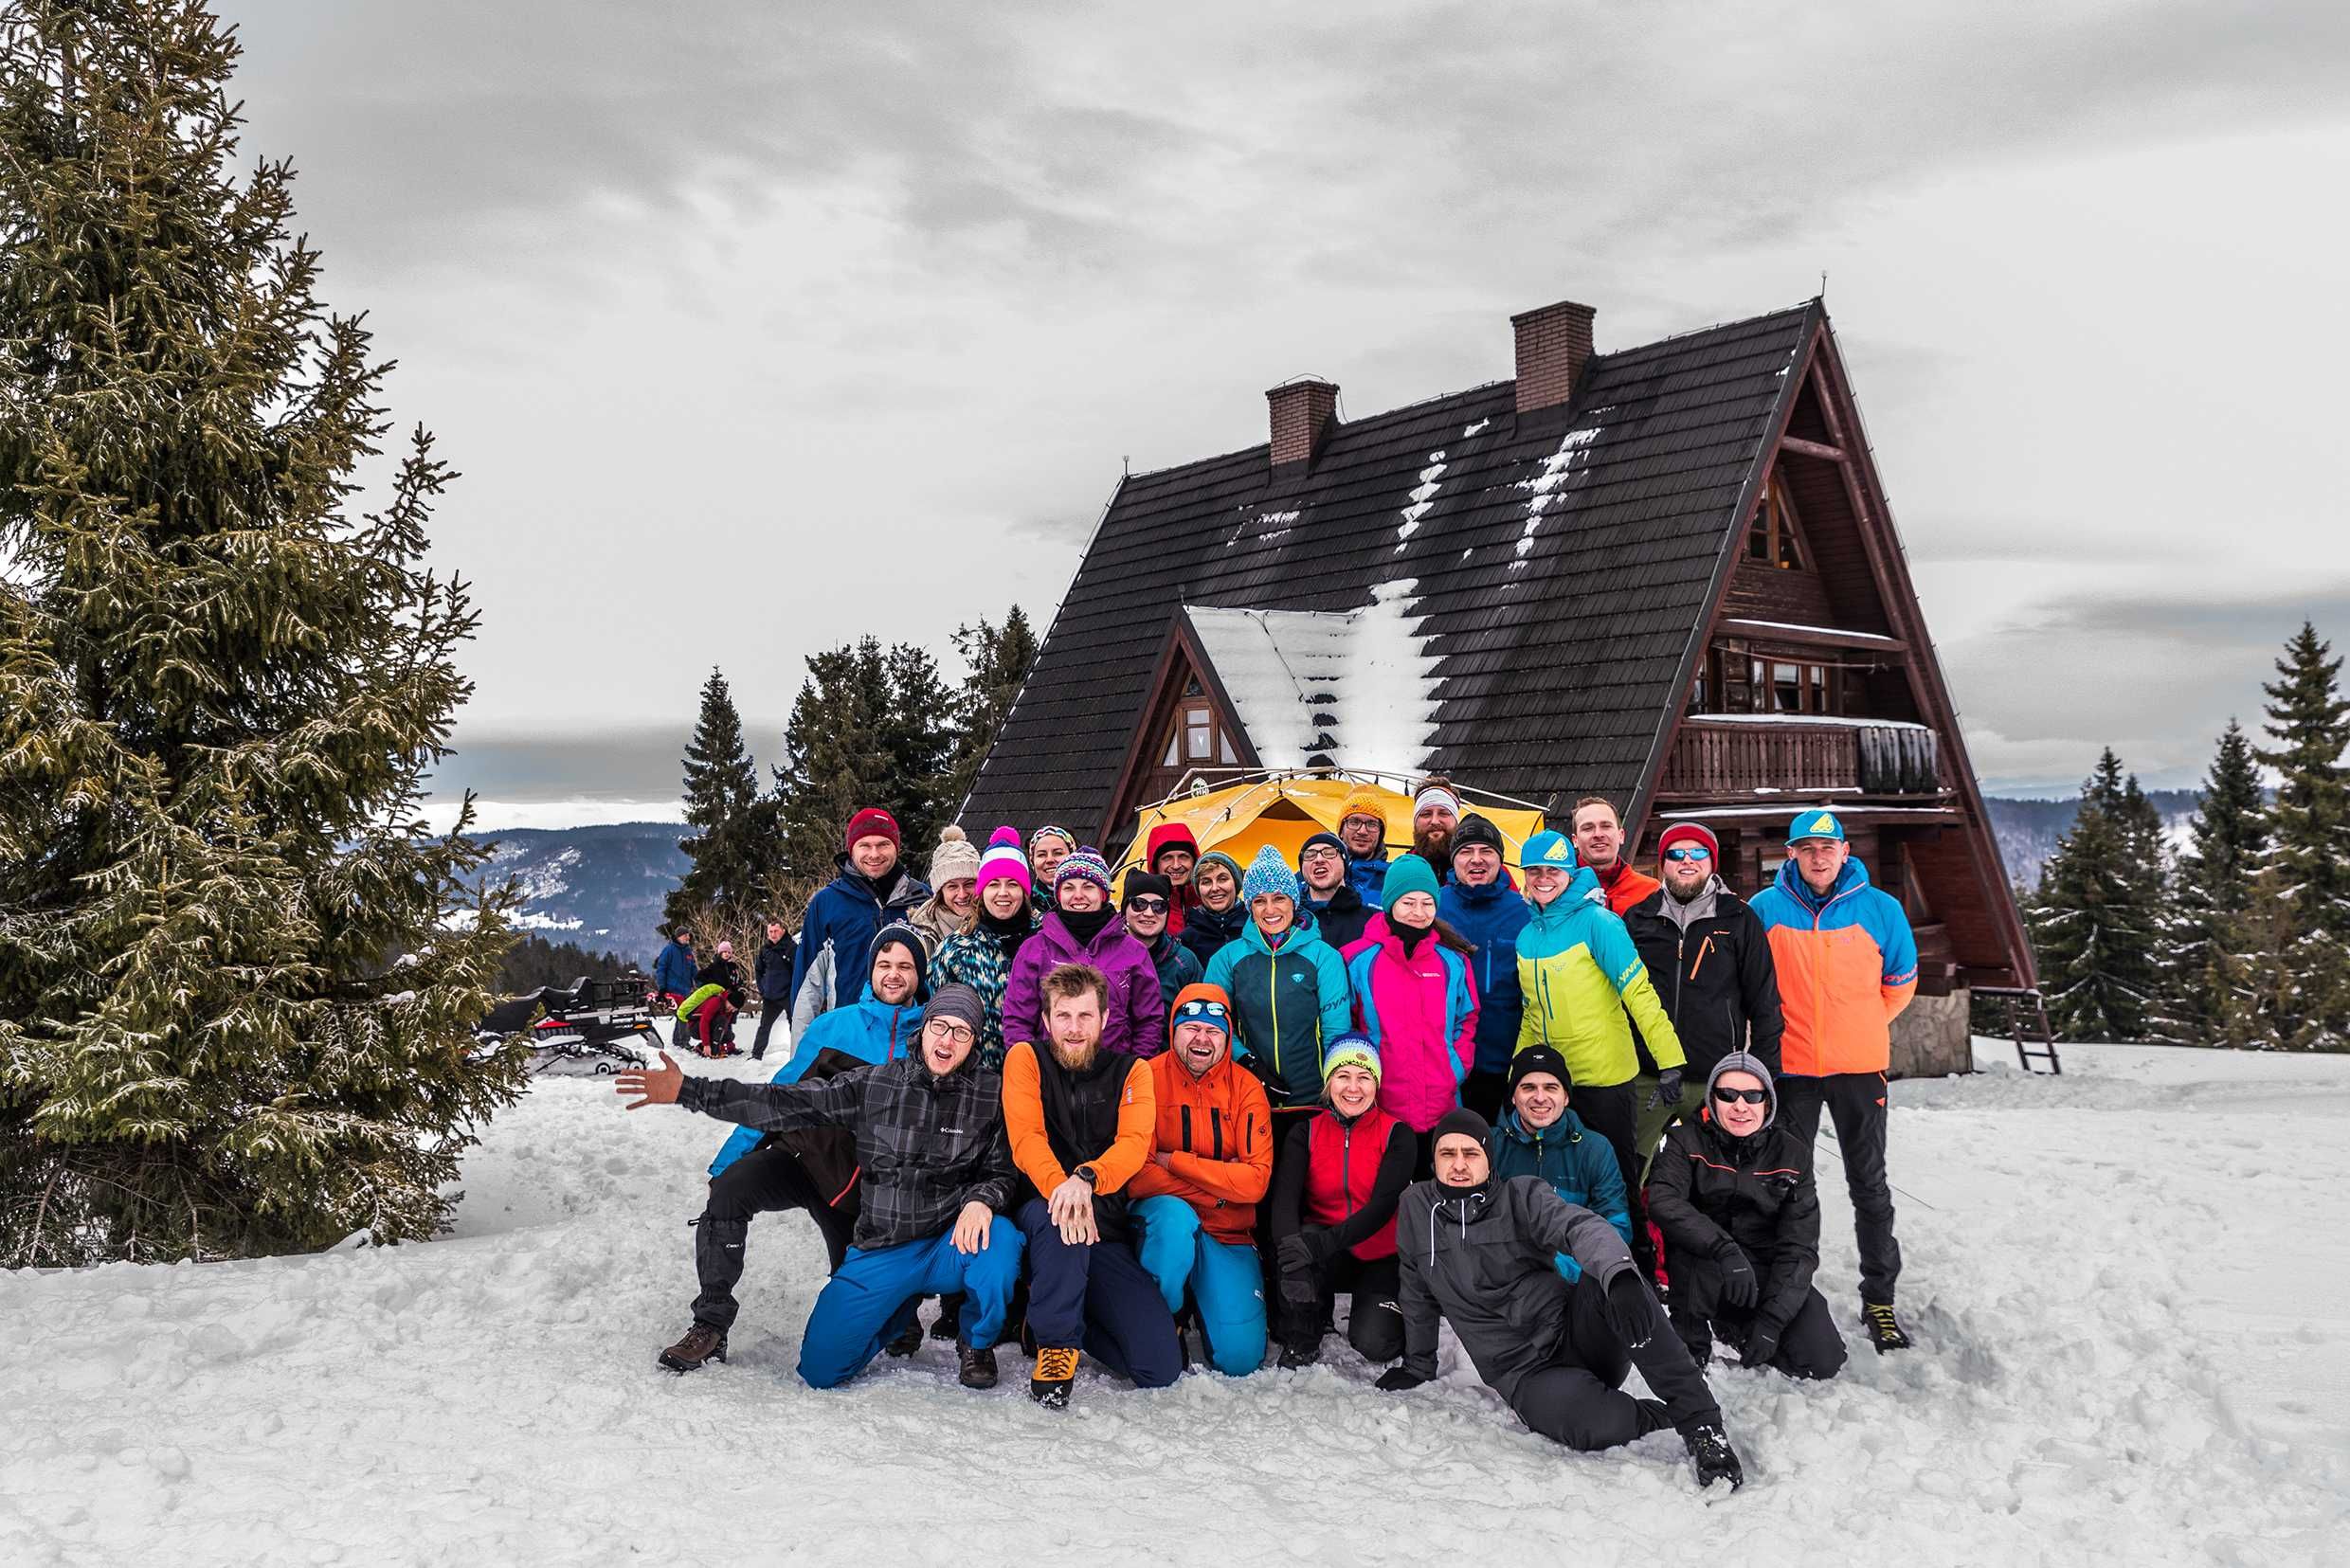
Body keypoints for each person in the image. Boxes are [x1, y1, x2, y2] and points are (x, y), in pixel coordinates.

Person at [621, 983, 1022, 1392]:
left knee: (1001, 1244)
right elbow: (780, 1102)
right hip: (885, 1247)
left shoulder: (989, 1093)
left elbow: (1002, 1172)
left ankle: (977, 1341)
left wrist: (982, 1201)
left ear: (973, 1043)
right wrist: (689, 1091)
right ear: (924, 1030)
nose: (947, 1040)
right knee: (820, 1370)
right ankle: (896, 1310)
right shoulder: (876, 1085)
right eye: (940, 1026)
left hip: (950, 1244)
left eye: (962, 1032)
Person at [1384, 1109, 1743, 1490]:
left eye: (1470, 1154)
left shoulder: (1520, 1196)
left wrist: (1620, 1276)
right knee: (1590, 1425)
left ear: (1489, 1160)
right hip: (1525, 1374)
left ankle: (1702, 1425)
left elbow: (1580, 1226)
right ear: (1434, 1160)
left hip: (1576, 1330)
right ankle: (1656, 1416)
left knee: (1617, 1279)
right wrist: (1418, 1366)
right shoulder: (1416, 1209)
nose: (1458, 1165)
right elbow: (1416, 1289)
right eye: (1447, 1153)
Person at [1749, 808, 1920, 1353]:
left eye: (1827, 846)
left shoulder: (1881, 909)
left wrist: (1858, 1027)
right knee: (1790, 1185)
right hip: (1790, 1071)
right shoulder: (1765, 909)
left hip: (1858, 1068)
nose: (1818, 856)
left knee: (1868, 1184)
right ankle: (1790, 1295)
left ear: (1846, 851)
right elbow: (1749, 982)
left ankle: (1880, 1300)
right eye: (1807, 847)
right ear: (1791, 854)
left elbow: (1900, 983)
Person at [1514, 829, 1689, 1285]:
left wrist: (1669, 1059)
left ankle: (1641, 1275)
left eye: (1553, 871)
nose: (1544, 879)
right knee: (1568, 1182)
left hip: (1607, 1078)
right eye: (1535, 871)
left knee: (1618, 1182)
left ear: (1570, 873)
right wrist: (1518, 1074)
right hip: (1557, 1086)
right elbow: (1532, 1015)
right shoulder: (1527, 936)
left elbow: (1640, 993)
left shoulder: (1600, 923)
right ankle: (1580, 1273)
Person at [1003, 963, 1181, 1405]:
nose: (1074, 1028)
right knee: (1062, 1223)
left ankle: (1058, 1317)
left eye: (1085, 1016)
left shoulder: (1131, 1071)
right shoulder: (1027, 1058)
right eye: (1063, 1016)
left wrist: (1087, 1178)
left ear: (1104, 1020)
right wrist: (1061, 1187)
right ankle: (1056, 1343)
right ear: (1046, 1020)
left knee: (1160, 1367)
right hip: (1042, 1214)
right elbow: (1026, 1139)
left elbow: (1135, 1143)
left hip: (1102, 1223)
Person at [705, 927, 932, 1261]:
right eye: (884, 965)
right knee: (728, 1192)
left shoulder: (935, 1038)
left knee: (859, 1293)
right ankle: (712, 1310)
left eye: (905, 966)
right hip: (812, 1167)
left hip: (876, 1197)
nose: (893, 975)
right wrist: (728, 1162)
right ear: (871, 970)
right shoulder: (833, 1027)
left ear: (920, 974)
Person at [1647, 1054, 1847, 1381]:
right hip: (1704, 1266)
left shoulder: (1793, 1153)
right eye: (1727, 1095)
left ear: (1768, 1103)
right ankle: (1694, 1333)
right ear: (1711, 1100)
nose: (1740, 1106)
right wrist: (1723, 1248)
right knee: (1691, 1257)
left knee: (1821, 1360)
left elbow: (1800, 1247)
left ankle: (1742, 1326)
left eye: (1753, 1096)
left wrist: (1772, 1321)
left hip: (1763, 1275)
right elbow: (1663, 1200)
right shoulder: (1685, 1141)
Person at [1128, 984, 1274, 1376]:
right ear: (1173, 1030)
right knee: (1176, 1221)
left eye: (1212, 1031)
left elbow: (1256, 1182)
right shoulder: (1146, 1077)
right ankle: (1166, 1316)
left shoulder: (1247, 1089)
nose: (1201, 1039)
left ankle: (1208, 1296)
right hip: (1167, 1223)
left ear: (1227, 1037)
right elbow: (1139, 1176)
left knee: (1240, 1360)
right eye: (1191, 1028)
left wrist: (1175, 1160)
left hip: (1227, 1231)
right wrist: (1217, 1193)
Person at [1622, 822, 1784, 1172]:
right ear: (1661, 863)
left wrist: (1762, 1075)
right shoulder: (1638, 918)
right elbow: (1618, 1001)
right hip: (1648, 1076)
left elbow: (1765, 1002)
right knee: (1631, 1173)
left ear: (1712, 862)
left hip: (1715, 1078)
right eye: (1675, 853)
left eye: (1697, 853)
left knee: (1715, 1176)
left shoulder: (1739, 918)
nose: (1687, 861)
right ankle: (1637, 1229)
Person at [1266, 1036, 1415, 1368]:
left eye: (1364, 1077)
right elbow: (1284, 1202)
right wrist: (1292, 1255)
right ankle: (1306, 1332)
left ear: (1376, 1084)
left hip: (1380, 1254)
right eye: (1343, 1075)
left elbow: (1381, 1209)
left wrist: (1315, 1247)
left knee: (1377, 1343)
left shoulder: (1398, 1134)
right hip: (1327, 1249)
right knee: (1289, 1290)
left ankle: (1384, 1309)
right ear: (1328, 1080)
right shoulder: (1305, 1132)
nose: (1353, 1088)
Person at [1204, 845, 1352, 1157]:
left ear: (1294, 902)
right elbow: (1212, 1024)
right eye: (1259, 901)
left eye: (1279, 898)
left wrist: (1332, 1089)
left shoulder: (1324, 957)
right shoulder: (1228, 959)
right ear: (1250, 906)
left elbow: (1336, 1030)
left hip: (1312, 1098)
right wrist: (1248, 1064)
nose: (1270, 909)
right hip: (1248, 1095)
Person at [1341, 854, 1476, 1145]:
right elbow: (1346, 1026)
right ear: (1390, 903)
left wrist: (1456, 1067)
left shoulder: (1452, 961)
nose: (1418, 912)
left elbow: (1466, 1017)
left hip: (1442, 1102)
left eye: (1427, 903)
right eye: (1408, 902)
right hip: (1380, 1103)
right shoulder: (1357, 959)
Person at [1002, 847, 1166, 1062]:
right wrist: (1034, 1069)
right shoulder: (1035, 949)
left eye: (1088, 887)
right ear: (1059, 894)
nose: (1078, 895)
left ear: (1103, 893)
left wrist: (1131, 1069)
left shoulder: (1133, 952)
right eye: (1069, 887)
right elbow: (1017, 1020)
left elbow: (1149, 1021)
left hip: (1113, 1076)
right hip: (1050, 1076)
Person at [1484, 1044, 1631, 1274]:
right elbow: (1472, 1222)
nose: (1540, 1097)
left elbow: (1616, 1227)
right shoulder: (1489, 1146)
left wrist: (1563, 1269)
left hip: (1573, 1281)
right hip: (1504, 1281)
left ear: (1566, 1097)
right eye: (1528, 1087)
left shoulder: (1594, 1149)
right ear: (1513, 1096)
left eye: (1551, 1087)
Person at [791, 807, 931, 1037]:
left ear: (896, 847)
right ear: (851, 849)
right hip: (849, 1037)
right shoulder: (827, 902)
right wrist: (802, 1058)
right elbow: (808, 986)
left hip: (911, 1036)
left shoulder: (922, 897)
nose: (874, 854)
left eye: (883, 844)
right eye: (865, 845)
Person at [1439, 814, 1529, 1122]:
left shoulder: (1522, 912)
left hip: (1502, 1060)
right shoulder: (1434, 907)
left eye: (1486, 851)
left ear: (1500, 859)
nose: (1476, 860)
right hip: (1445, 1059)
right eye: (1466, 851)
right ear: (1454, 860)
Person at [931, 826, 1038, 1071]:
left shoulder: (1046, 941)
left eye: (1012, 883)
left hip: (1038, 1079)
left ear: (1024, 890)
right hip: (975, 1082)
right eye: (993, 884)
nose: (1003, 893)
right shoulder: (956, 950)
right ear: (982, 892)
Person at [1121, 869, 1202, 1008]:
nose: (1148, 913)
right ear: (1124, 909)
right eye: (1139, 904)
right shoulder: (1104, 953)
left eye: (1159, 906)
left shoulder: (1185, 962)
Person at [1570, 795, 1660, 917]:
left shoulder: (1649, 891)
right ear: (1575, 840)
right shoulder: (1557, 888)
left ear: (1621, 836)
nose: (1598, 834)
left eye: (1606, 826)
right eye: (1588, 828)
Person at [907, 823, 981, 956]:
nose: (962, 894)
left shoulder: (997, 924)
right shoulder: (921, 933)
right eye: (952, 886)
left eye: (969, 884)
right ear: (940, 891)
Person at [1297, 831, 1374, 950]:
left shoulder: (1372, 920)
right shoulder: (1289, 919)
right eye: (1309, 855)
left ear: (1344, 863)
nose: (1318, 859)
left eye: (1329, 853)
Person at [1177, 849, 1249, 969]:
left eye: (1222, 879)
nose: (1215, 888)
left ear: (1236, 884)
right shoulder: (1187, 939)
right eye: (1206, 882)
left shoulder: (1255, 927)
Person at [682, 939, 748, 1056]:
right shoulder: (715, 966)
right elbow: (699, 977)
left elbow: (736, 980)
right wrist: (711, 987)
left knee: (728, 1023)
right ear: (720, 953)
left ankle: (728, 1045)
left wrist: (738, 987)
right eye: (724, 952)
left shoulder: (732, 966)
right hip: (719, 998)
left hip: (731, 998)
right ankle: (708, 1046)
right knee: (717, 1022)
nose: (727, 954)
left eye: (729, 952)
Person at [750, 919, 797, 1061]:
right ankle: (756, 1056)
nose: (773, 934)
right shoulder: (765, 949)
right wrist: (762, 989)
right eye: (770, 931)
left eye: (776, 931)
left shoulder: (792, 947)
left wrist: (794, 991)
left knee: (795, 1026)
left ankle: (798, 1056)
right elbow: (759, 970)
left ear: (783, 930)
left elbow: (798, 971)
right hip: (770, 996)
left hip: (788, 995)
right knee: (764, 1027)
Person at [1337, 789, 1392, 908]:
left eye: (1372, 824)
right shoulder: (1315, 875)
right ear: (1341, 830)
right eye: (1354, 822)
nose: (1362, 831)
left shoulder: (1393, 880)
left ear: (1380, 834)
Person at [1145, 821, 1201, 934]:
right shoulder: (1144, 909)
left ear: (1194, 861)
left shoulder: (1210, 901)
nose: (1176, 865)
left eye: (1183, 857)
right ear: (1156, 864)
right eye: (1167, 858)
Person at [1408, 780, 1461, 873]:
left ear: (1456, 820)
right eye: (1426, 814)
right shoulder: (1401, 872)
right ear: (1415, 822)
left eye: (1444, 813)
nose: (1435, 821)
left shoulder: (1474, 873)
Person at [652, 927, 696, 1007]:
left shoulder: (688, 951)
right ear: (679, 937)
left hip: (686, 991)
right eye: (685, 935)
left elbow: (693, 969)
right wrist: (662, 987)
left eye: (688, 935)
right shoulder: (669, 950)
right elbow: (661, 969)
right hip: (673, 990)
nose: (688, 938)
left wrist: (700, 983)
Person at [1027, 824, 1076, 889]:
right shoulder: (1024, 898)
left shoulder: (1088, 897)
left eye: (1058, 853)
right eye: (1041, 855)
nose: (1049, 860)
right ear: (1032, 861)